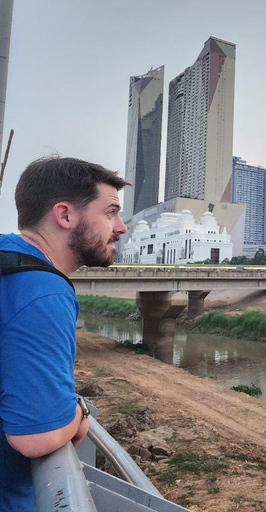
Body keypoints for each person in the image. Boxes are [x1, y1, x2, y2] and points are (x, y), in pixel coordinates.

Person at [0, 156, 129, 511]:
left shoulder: (6, 257)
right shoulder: (42, 292)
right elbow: (37, 437)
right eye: (110, 212)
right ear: (66, 215)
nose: (120, 227)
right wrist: (81, 411)